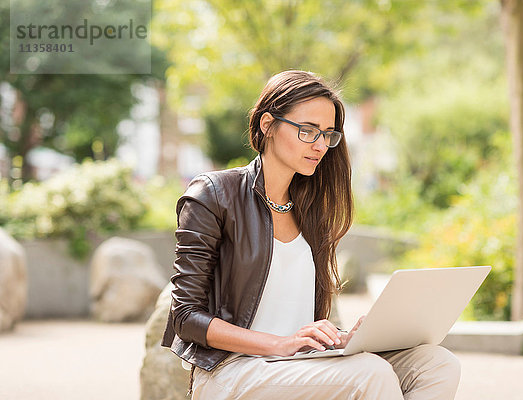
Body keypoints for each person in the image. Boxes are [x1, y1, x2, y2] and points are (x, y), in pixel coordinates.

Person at [161, 70, 461, 399]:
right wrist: (280, 344)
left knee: (436, 363)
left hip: (303, 362)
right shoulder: (215, 194)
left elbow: (299, 317)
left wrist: (346, 339)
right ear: (267, 125)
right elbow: (185, 317)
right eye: (308, 131)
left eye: (328, 134)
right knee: (369, 374)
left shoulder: (310, 209)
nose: (320, 145)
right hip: (232, 368)